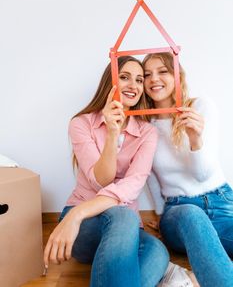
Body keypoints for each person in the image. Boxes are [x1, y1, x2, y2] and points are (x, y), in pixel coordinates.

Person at [44, 56, 171, 287]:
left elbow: (133, 184)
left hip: (103, 221)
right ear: (109, 82)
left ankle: (113, 272)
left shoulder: (147, 133)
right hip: (85, 228)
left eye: (139, 80)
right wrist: (112, 134)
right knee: (123, 214)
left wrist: (78, 213)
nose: (133, 85)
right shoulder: (81, 124)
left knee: (157, 251)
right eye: (124, 77)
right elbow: (100, 181)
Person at [143, 52, 233, 287]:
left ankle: (192, 278)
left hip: (221, 202)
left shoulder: (200, 107)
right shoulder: (144, 125)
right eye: (147, 74)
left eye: (162, 71)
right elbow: (150, 176)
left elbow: (203, 174)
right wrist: (161, 217)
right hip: (180, 210)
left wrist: (195, 139)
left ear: (176, 74)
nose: (154, 79)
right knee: (191, 216)